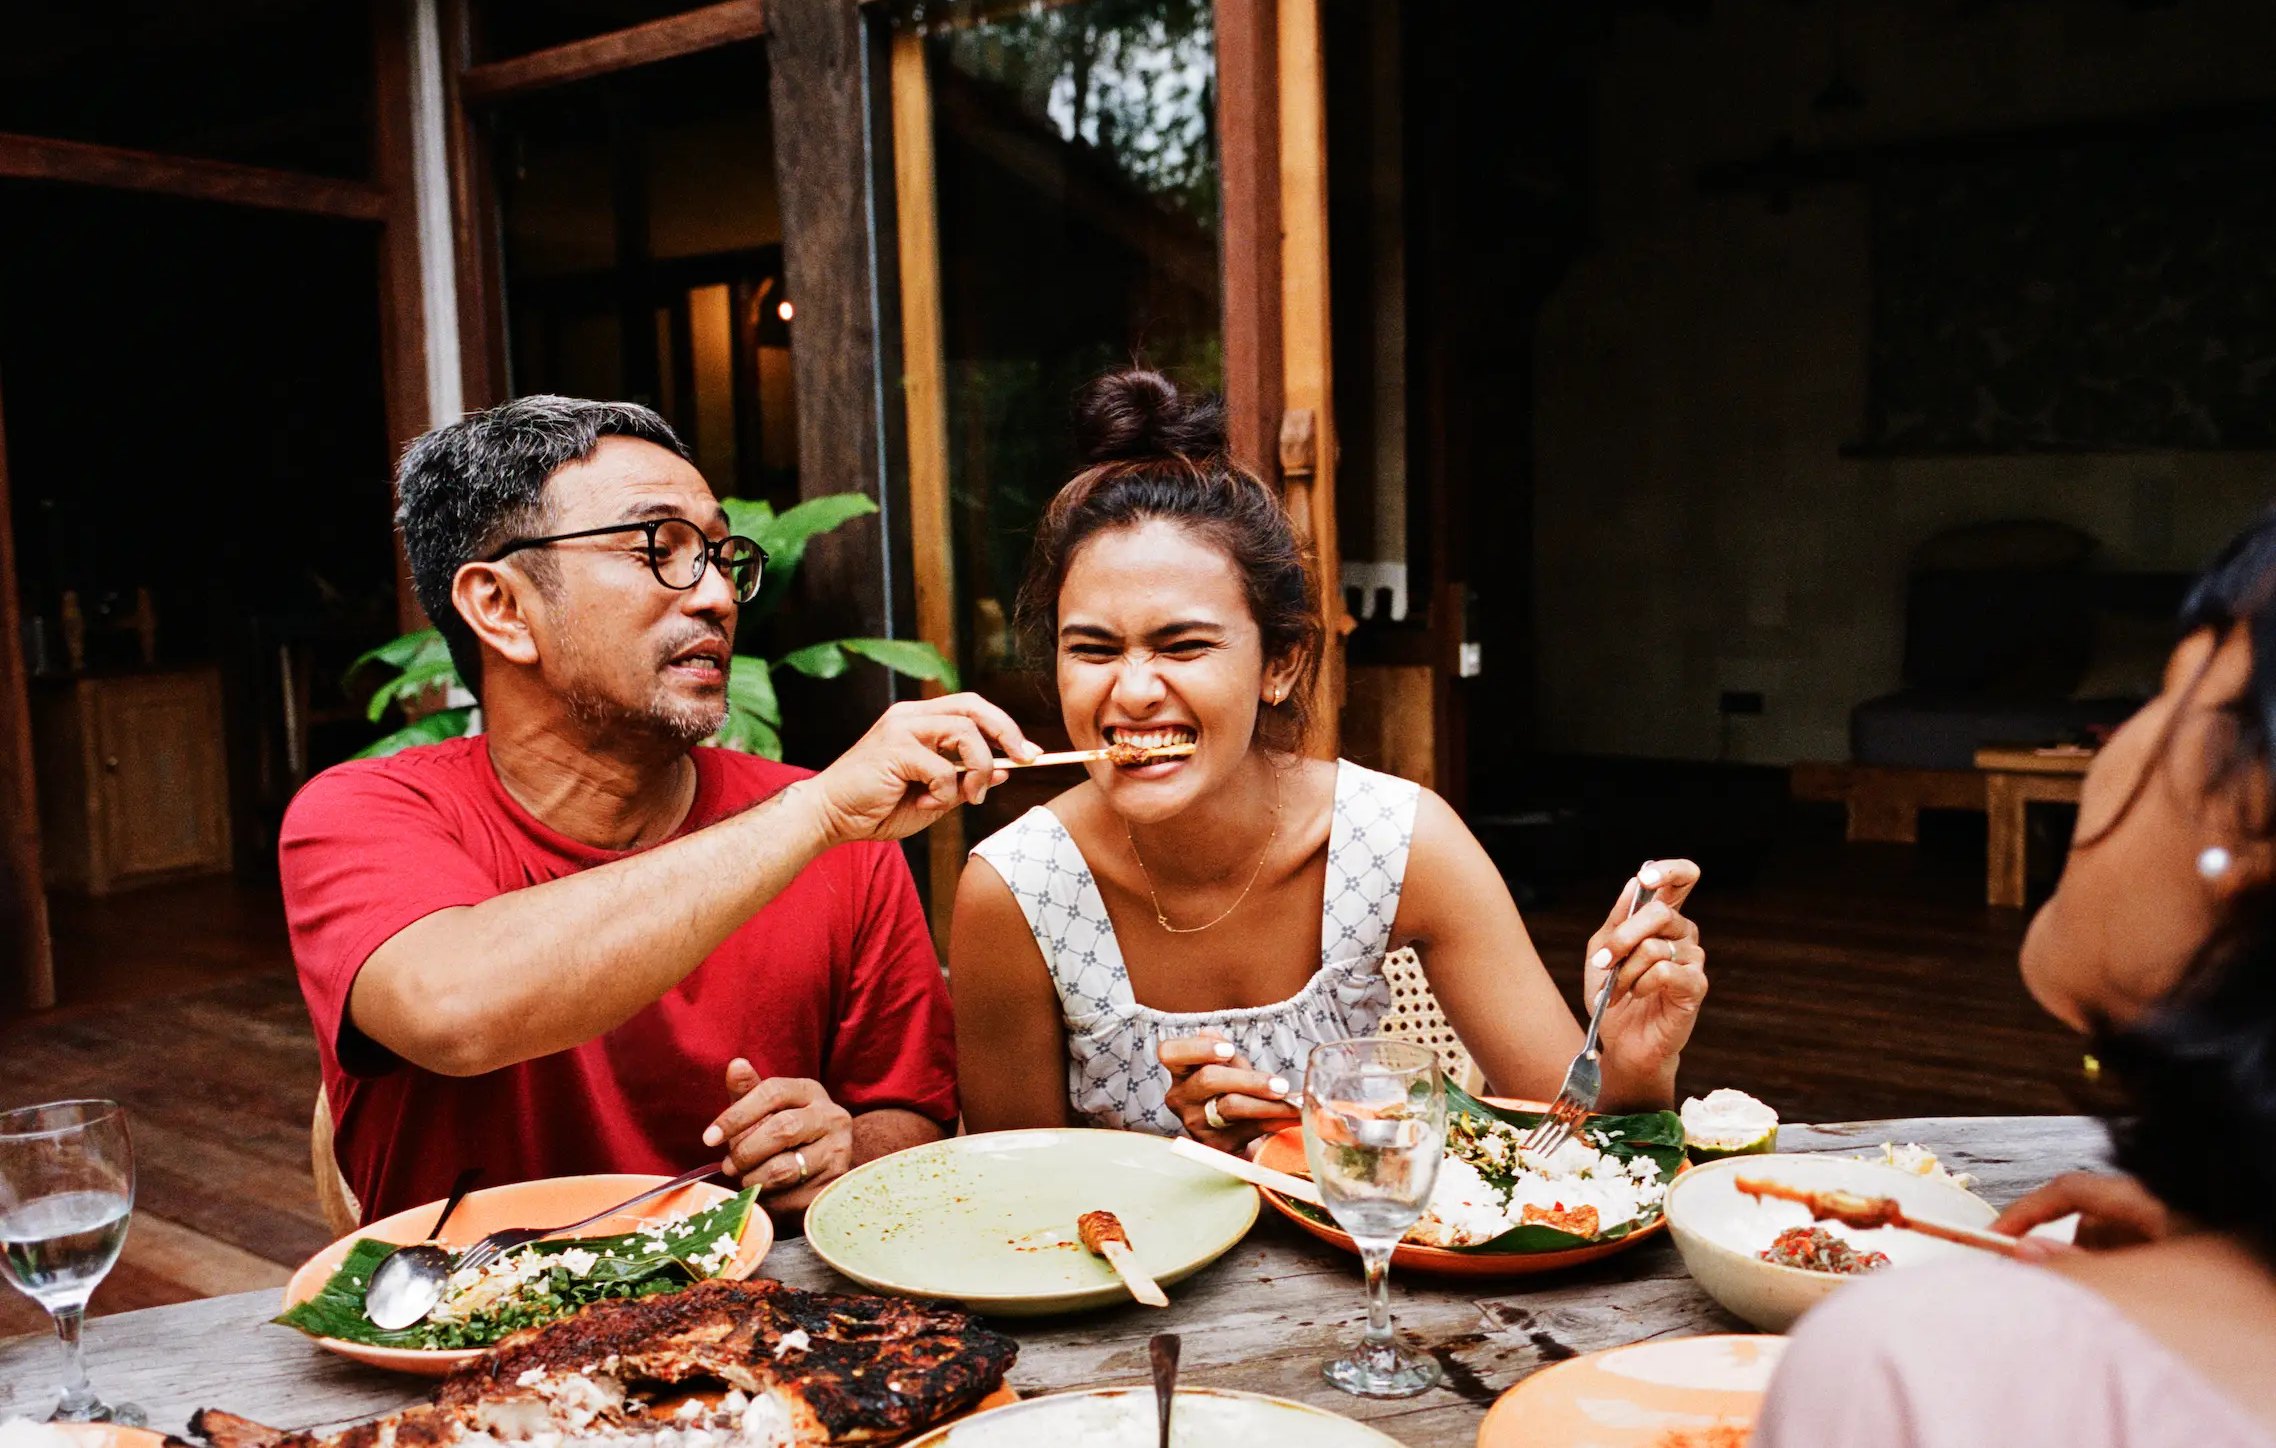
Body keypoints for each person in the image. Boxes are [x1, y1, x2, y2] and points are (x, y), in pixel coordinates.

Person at [281, 396, 1036, 1223]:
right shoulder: (364, 815)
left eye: (720, 555)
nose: (718, 595)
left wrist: (842, 1150)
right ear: (502, 608)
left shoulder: (846, 848)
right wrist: (814, 814)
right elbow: (453, 1010)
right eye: (658, 549)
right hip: (472, 1303)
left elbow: (913, 1121)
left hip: (761, 1300)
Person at [949, 370, 1709, 1145]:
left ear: (1280, 663)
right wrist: (1192, 1169)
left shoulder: (1399, 842)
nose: (1134, 690)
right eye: (1093, 650)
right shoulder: (1016, 891)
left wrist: (1634, 1066)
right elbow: (1012, 1194)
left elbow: (1578, 1148)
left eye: (1183, 645)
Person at [1755, 506, 2276, 1446]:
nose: (2111, 749)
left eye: (2169, 696)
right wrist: (2208, 1246)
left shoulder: (1915, 1370)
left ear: (2252, 832)